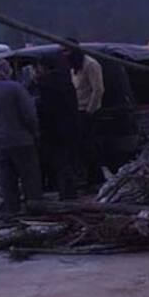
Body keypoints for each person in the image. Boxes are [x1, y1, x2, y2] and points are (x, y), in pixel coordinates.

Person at [0, 57, 43, 215]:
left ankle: (12, 211)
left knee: (7, 180)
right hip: (22, 140)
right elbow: (29, 115)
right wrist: (35, 131)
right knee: (30, 178)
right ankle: (35, 210)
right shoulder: (15, 88)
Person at [31, 52, 80, 200]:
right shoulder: (66, 80)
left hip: (54, 131)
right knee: (69, 162)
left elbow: (46, 109)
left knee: (60, 164)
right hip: (70, 127)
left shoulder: (45, 84)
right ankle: (70, 192)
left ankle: (66, 195)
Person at [68, 44, 105, 187]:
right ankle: (88, 179)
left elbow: (98, 89)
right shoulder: (74, 67)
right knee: (82, 148)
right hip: (77, 111)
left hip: (89, 112)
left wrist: (90, 110)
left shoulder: (91, 64)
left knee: (90, 148)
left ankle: (96, 180)